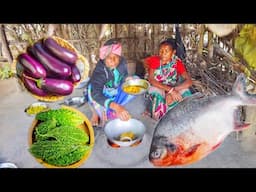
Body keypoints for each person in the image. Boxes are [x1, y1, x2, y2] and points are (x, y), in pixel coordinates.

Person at [87, 38, 135, 127]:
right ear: (104, 57)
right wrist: (116, 107)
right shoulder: (100, 71)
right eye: (109, 57)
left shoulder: (122, 62)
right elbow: (96, 94)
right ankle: (96, 113)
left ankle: (112, 107)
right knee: (90, 90)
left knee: (135, 82)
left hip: (114, 89)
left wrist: (127, 78)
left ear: (119, 58)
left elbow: (124, 75)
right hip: (100, 93)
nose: (113, 61)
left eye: (115, 57)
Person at [144, 38, 193, 120]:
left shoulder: (177, 63)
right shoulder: (155, 61)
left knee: (186, 92)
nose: (163, 54)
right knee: (156, 95)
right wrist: (170, 91)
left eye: (166, 51)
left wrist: (173, 91)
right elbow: (152, 80)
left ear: (173, 52)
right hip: (158, 86)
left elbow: (189, 81)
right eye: (161, 51)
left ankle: (185, 118)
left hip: (172, 87)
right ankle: (158, 120)